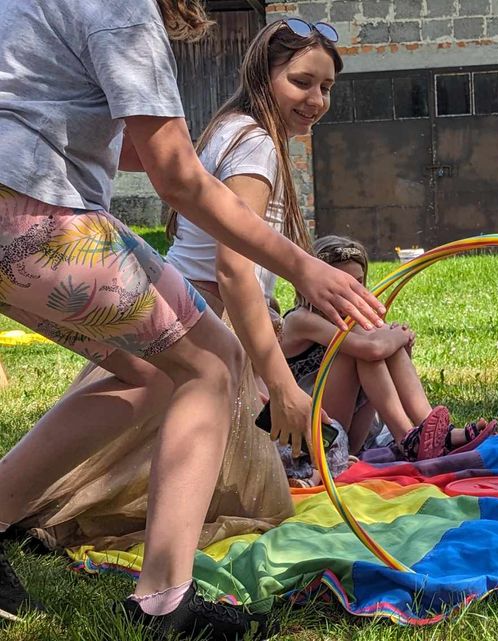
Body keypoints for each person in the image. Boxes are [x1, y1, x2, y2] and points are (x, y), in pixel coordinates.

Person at [0, 1, 381, 637]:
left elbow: (81, 123)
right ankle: (165, 602)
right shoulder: (122, 7)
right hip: (33, 211)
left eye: (326, 87)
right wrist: (303, 268)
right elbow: (174, 178)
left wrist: (168, 137)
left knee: (153, 375)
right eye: (303, 82)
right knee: (211, 362)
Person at [276, 235, 497, 478]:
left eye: (359, 283)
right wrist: (397, 337)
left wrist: (398, 348)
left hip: (354, 434)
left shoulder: (355, 323)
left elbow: (375, 355)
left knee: (373, 339)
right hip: (320, 434)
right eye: (341, 285)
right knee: (365, 343)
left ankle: (428, 432)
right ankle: (407, 437)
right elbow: (370, 350)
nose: (352, 292)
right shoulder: (301, 319)